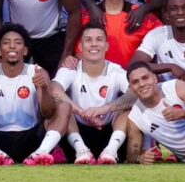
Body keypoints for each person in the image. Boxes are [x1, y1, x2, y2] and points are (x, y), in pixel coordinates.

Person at [0, 24, 70, 165]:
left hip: (30, 138)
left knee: (64, 106)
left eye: (17, 43)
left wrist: (44, 88)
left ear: (25, 50)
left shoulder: (38, 72)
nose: (12, 46)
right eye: (6, 43)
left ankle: (41, 153)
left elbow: (47, 113)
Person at [50, 25, 131, 164]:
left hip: (110, 132)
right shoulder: (70, 69)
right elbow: (53, 89)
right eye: (88, 40)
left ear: (107, 46)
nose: (94, 44)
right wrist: (82, 112)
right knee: (61, 108)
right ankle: (82, 151)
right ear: (80, 46)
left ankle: (111, 151)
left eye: (99, 39)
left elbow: (134, 94)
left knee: (128, 109)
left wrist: (104, 109)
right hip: (77, 134)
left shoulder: (116, 71)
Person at [125, 61, 185, 163]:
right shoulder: (135, 117)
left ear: (155, 78)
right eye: (135, 82)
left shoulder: (176, 87)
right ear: (130, 89)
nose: (142, 84)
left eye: (145, 78)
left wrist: (184, 114)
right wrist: (140, 158)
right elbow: (132, 155)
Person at [80, 0, 162, 68]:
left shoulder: (144, 18)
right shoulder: (85, 18)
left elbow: (165, 46)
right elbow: (78, 56)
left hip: (134, 82)